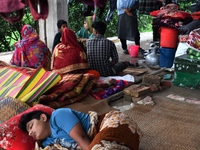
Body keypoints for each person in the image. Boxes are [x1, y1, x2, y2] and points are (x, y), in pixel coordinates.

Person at [18, 108, 143, 149]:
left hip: (104, 124)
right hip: (93, 143)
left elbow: (82, 139)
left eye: (31, 126)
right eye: (28, 132)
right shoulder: (45, 142)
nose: (30, 133)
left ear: (43, 117)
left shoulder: (57, 116)